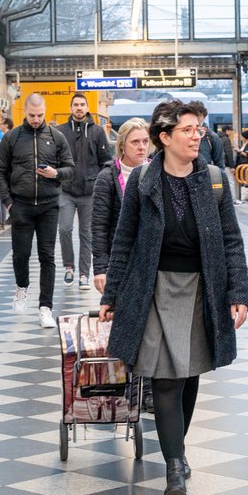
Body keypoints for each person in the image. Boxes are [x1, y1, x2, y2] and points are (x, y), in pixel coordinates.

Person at [99, 100, 248, 495]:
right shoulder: (145, 180)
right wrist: (111, 295)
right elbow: (124, 240)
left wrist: (238, 293)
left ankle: (175, 450)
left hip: (202, 288)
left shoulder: (214, 180)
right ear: (164, 138)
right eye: (187, 129)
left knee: (190, 374)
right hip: (153, 288)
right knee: (165, 378)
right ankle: (174, 465)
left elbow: (232, 241)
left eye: (198, 128)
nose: (196, 135)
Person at [0, 93, 75, 328]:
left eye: (40, 115)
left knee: (47, 256)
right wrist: (9, 203)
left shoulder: (57, 137)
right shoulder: (12, 137)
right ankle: (21, 287)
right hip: (21, 206)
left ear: (45, 111)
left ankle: (45, 308)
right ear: (25, 112)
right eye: (32, 115)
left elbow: (70, 168)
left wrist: (56, 173)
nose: (36, 119)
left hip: (49, 206)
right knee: (21, 254)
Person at [91, 118, 154, 409]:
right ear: (122, 146)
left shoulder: (156, 171)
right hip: (122, 262)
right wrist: (100, 267)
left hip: (151, 261)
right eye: (135, 142)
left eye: (145, 141)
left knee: (152, 324)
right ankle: (128, 382)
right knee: (126, 323)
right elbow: (99, 225)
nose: (141, 147)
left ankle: (151, 386)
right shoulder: (108, 177)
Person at [59, 93, 112, 290]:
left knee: (86, 233)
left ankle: (83, 274)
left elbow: (106, 160)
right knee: (64, 229)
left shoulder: (97, 132)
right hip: (66, 190)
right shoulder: (60, 132)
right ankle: (69, 267)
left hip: (90, 191)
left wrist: (101, 184)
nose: (79, 108)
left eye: (82, 104)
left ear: (87, 107)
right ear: (71, 108)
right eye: (76, 105)